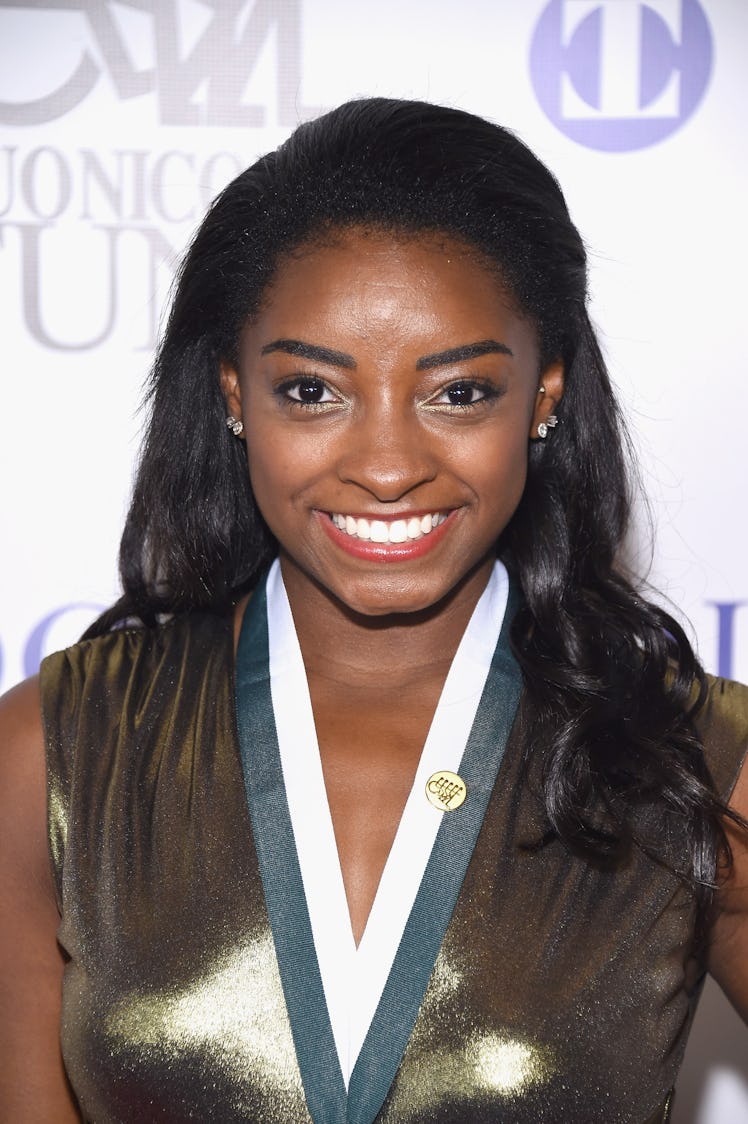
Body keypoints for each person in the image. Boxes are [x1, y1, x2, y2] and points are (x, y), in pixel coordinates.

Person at [0, 98, 746, 1124]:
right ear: (233, 394)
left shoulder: (691, 760)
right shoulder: (54, 753)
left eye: (459, 393)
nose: (388, 467)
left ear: (543, 396)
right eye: (312, 392)